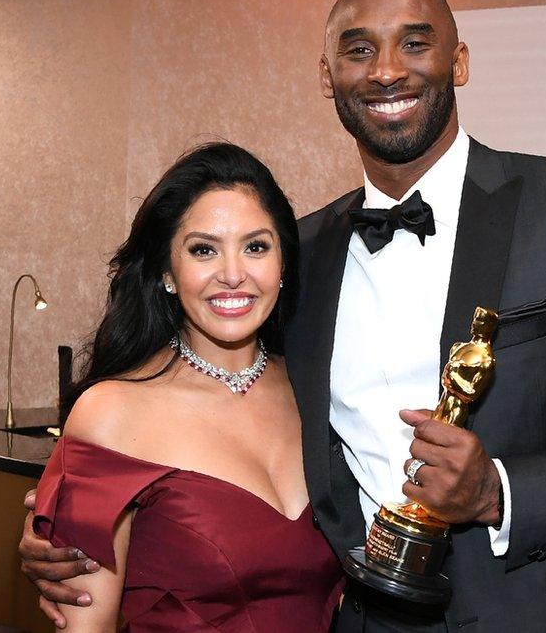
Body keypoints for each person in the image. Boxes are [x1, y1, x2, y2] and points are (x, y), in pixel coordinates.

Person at [21, 0, 546, 631]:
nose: (388, 69)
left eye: (416, 43)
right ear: (327, 78)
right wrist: (78, 523)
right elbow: (210, 426)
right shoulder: (293, 259)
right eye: (358, 50)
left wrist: (502, 492)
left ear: (459, 62)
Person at [22, 142, 343, 631]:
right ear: (168, 273)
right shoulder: (110, 412)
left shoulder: (318, 389)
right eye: (204, 250)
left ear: (283, 265)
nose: (233, 274)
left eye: (256, 246)